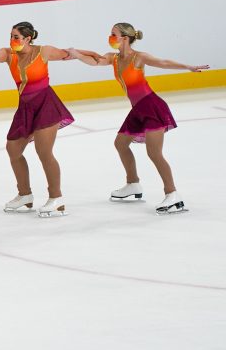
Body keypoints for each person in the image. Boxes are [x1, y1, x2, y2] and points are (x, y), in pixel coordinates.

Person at [67, 23, 208, 214]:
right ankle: (133, 184)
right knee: (120, 144)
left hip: (151, 106)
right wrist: (75, 53)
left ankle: (173, 195)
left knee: (154, 153)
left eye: (113, 34)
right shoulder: (114, 59)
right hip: (137, 110)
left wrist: (188, 67)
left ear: (125, 38)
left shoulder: (138, 57)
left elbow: (164, 62)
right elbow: (95, 60)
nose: (110, 37)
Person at [0, 22, 75, 218]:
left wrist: (85, 54)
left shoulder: (43, 51)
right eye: (10, 36)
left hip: (45, 105)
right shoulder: (10, 55)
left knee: (44, 152)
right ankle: (24, 194)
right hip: (25, 108)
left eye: (16, 37)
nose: (12, 40)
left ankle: (56, 198)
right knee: (13, 149)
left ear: (28, 38)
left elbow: (67, 54)